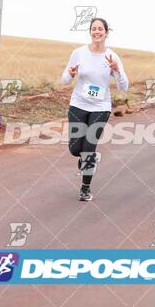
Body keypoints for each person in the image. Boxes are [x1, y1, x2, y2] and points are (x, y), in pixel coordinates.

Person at [62, 18, 129, 201]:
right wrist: (70, 74)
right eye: (94, 29)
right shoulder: (78, 53)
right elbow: (64, 80)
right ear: (90, 32)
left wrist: (117, 71)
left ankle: (85, 188)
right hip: (78, 104)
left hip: (100, 107)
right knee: (76, 149)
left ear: (106, 33)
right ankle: (83, 158)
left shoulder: (112, 57)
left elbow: (124, 86)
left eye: (100, 29)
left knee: (89, 147)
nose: (97, 32)